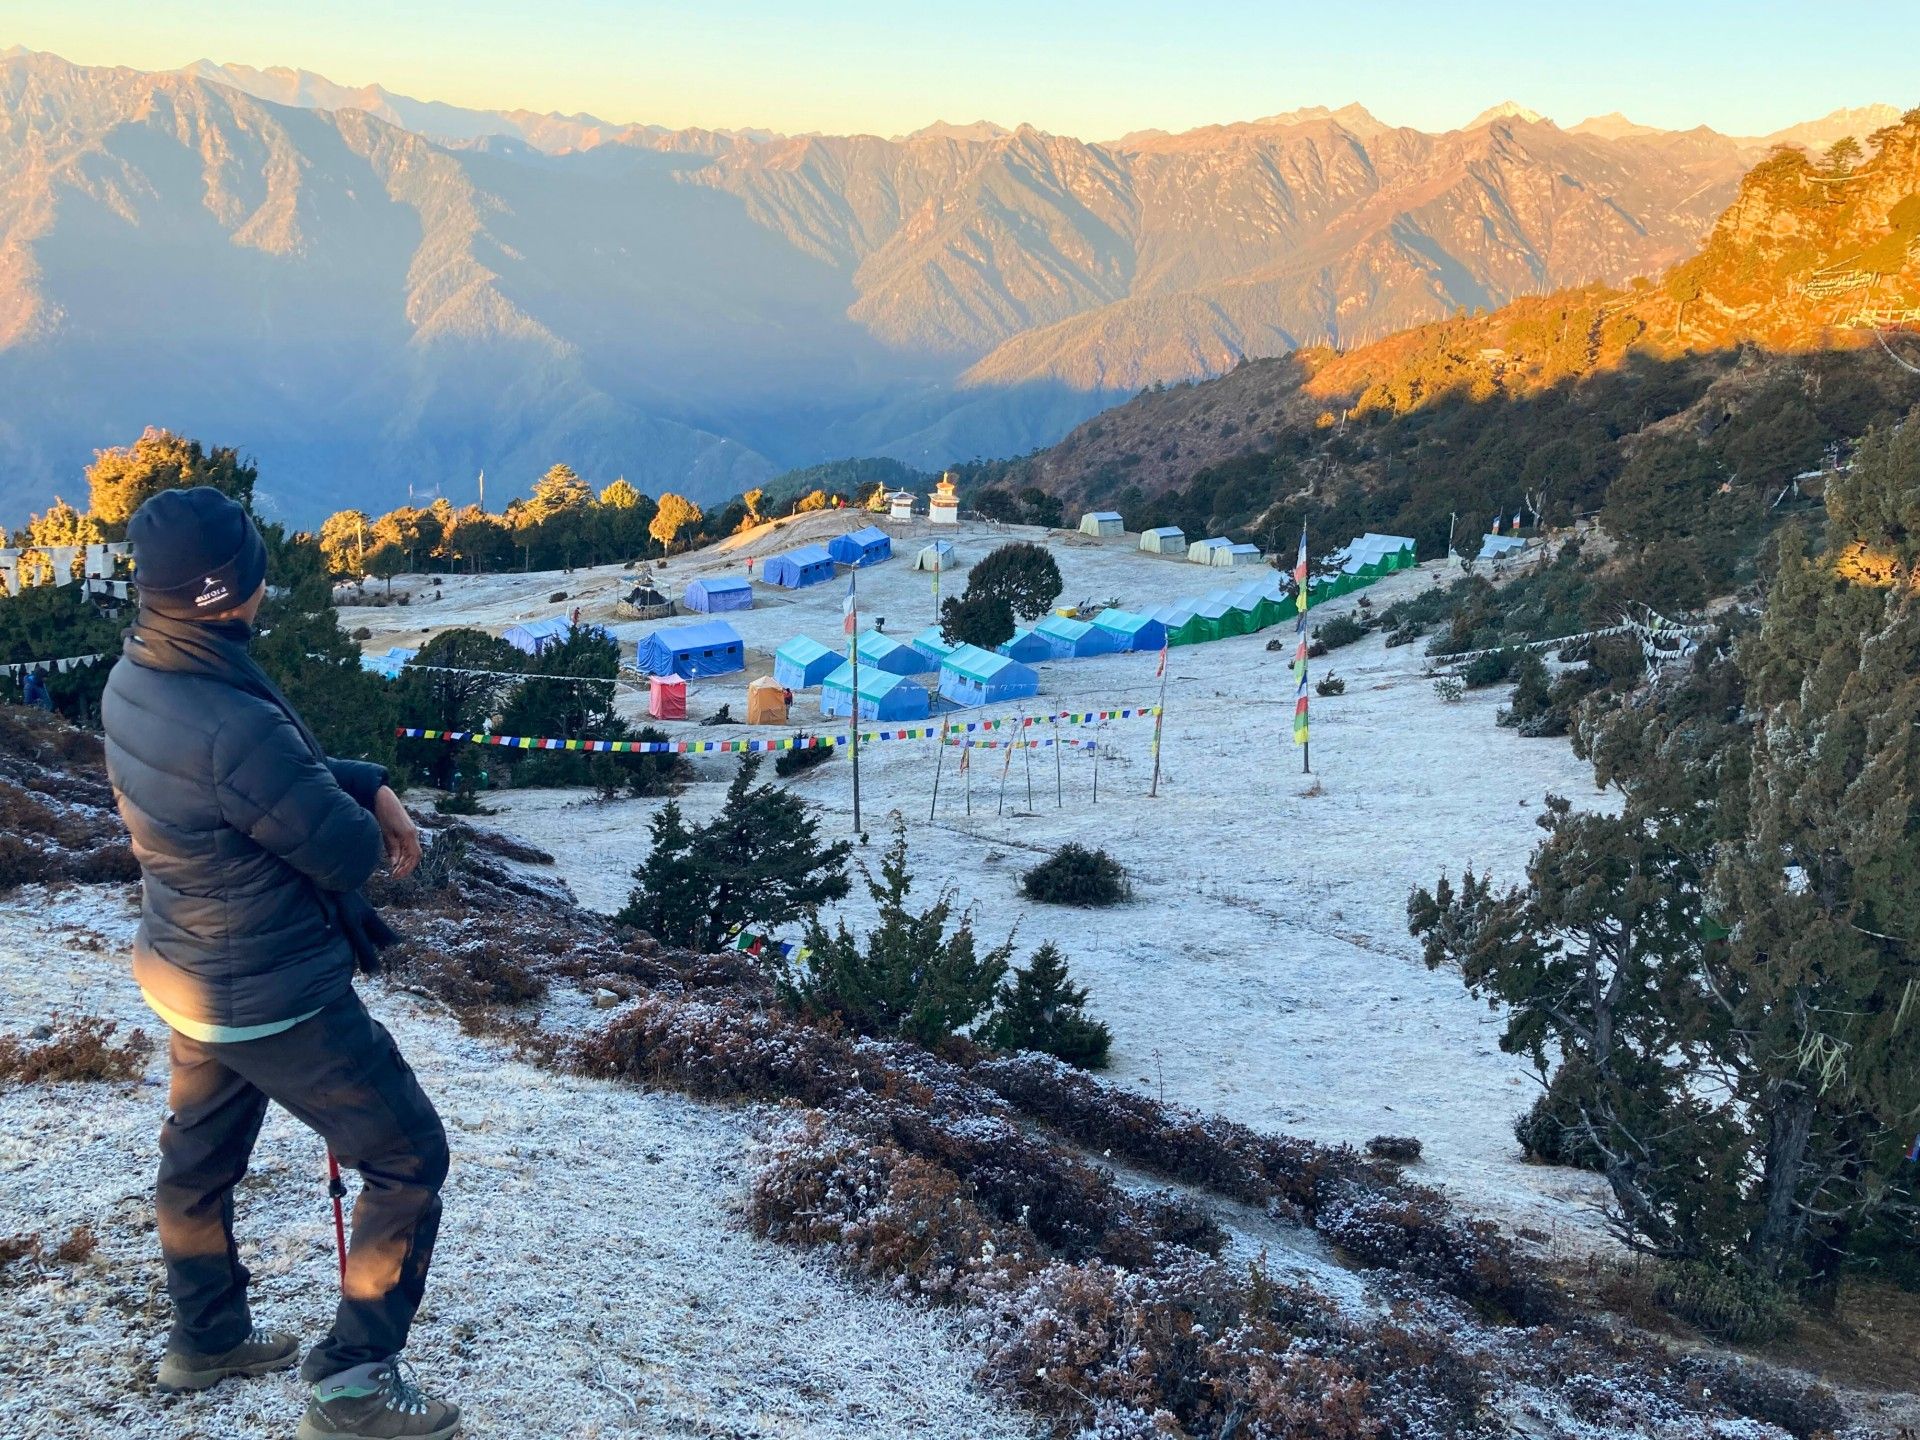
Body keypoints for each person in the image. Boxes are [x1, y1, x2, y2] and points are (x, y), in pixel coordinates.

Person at [101, 487, 459, 1440]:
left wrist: (365, 780)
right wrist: (367, 807)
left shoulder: (138, 674)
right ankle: (352, 1384)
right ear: (228, 590)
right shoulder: (233, 716)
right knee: (407, 1157)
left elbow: (231, 785)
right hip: (270, 989)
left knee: (199, 1160)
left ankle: (207, 1337)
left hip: (188, 968)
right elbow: (340, 852)